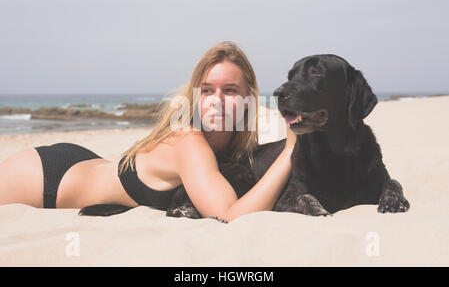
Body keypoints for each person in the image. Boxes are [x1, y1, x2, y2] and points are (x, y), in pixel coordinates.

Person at [0, 41, 297, 222]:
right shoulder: (189, 141)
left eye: (230, 90)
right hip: (45, 181)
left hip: (87, 160)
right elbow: (229, 215)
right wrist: (289, 150)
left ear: (249, 98)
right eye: (207, 90)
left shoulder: (233, 143)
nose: (217, 100)